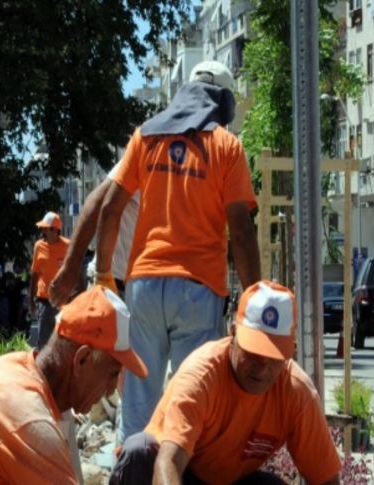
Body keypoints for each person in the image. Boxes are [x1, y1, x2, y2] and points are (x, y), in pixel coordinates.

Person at [88, 60, 261, 441]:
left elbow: (110, 207)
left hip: (144, 287)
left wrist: (103, 275)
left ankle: (132, 473)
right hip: (198, 291)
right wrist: (253, 296)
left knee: (139, 402)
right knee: (192, 401)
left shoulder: (146, 136)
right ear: (222, 104)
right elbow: (242, 232)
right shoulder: (227, 147)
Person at [0, 286, 149, 484]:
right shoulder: (29, 420)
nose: (111, 389)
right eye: (112, 374)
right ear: (82, 359)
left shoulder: (11, 366)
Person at [110, 281, 341, 485]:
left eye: (273, 357)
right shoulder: (201, 376)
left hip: (230, 481)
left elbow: (326, 480)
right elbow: (168, 462)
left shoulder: (296, 393)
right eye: (253, 352)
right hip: (178, 474)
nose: (262, 367)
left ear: (291, 353)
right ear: (232, 335)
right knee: (138, 451)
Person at [49, 161, 140, 305]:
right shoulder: (148, 149)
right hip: (112, 284)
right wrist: (71, 267)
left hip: (150, 287)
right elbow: (99, 203)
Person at [29, 211, 69, 348]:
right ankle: (40, 367)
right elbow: (34, 275)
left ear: (54, 230)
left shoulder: (67, 246)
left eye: (45, 228)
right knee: (43, 340)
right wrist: (31, 301)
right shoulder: (39, 246)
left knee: (62, 340)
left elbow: (74, 272)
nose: (42, 231)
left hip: (63, 301)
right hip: (44, 300)